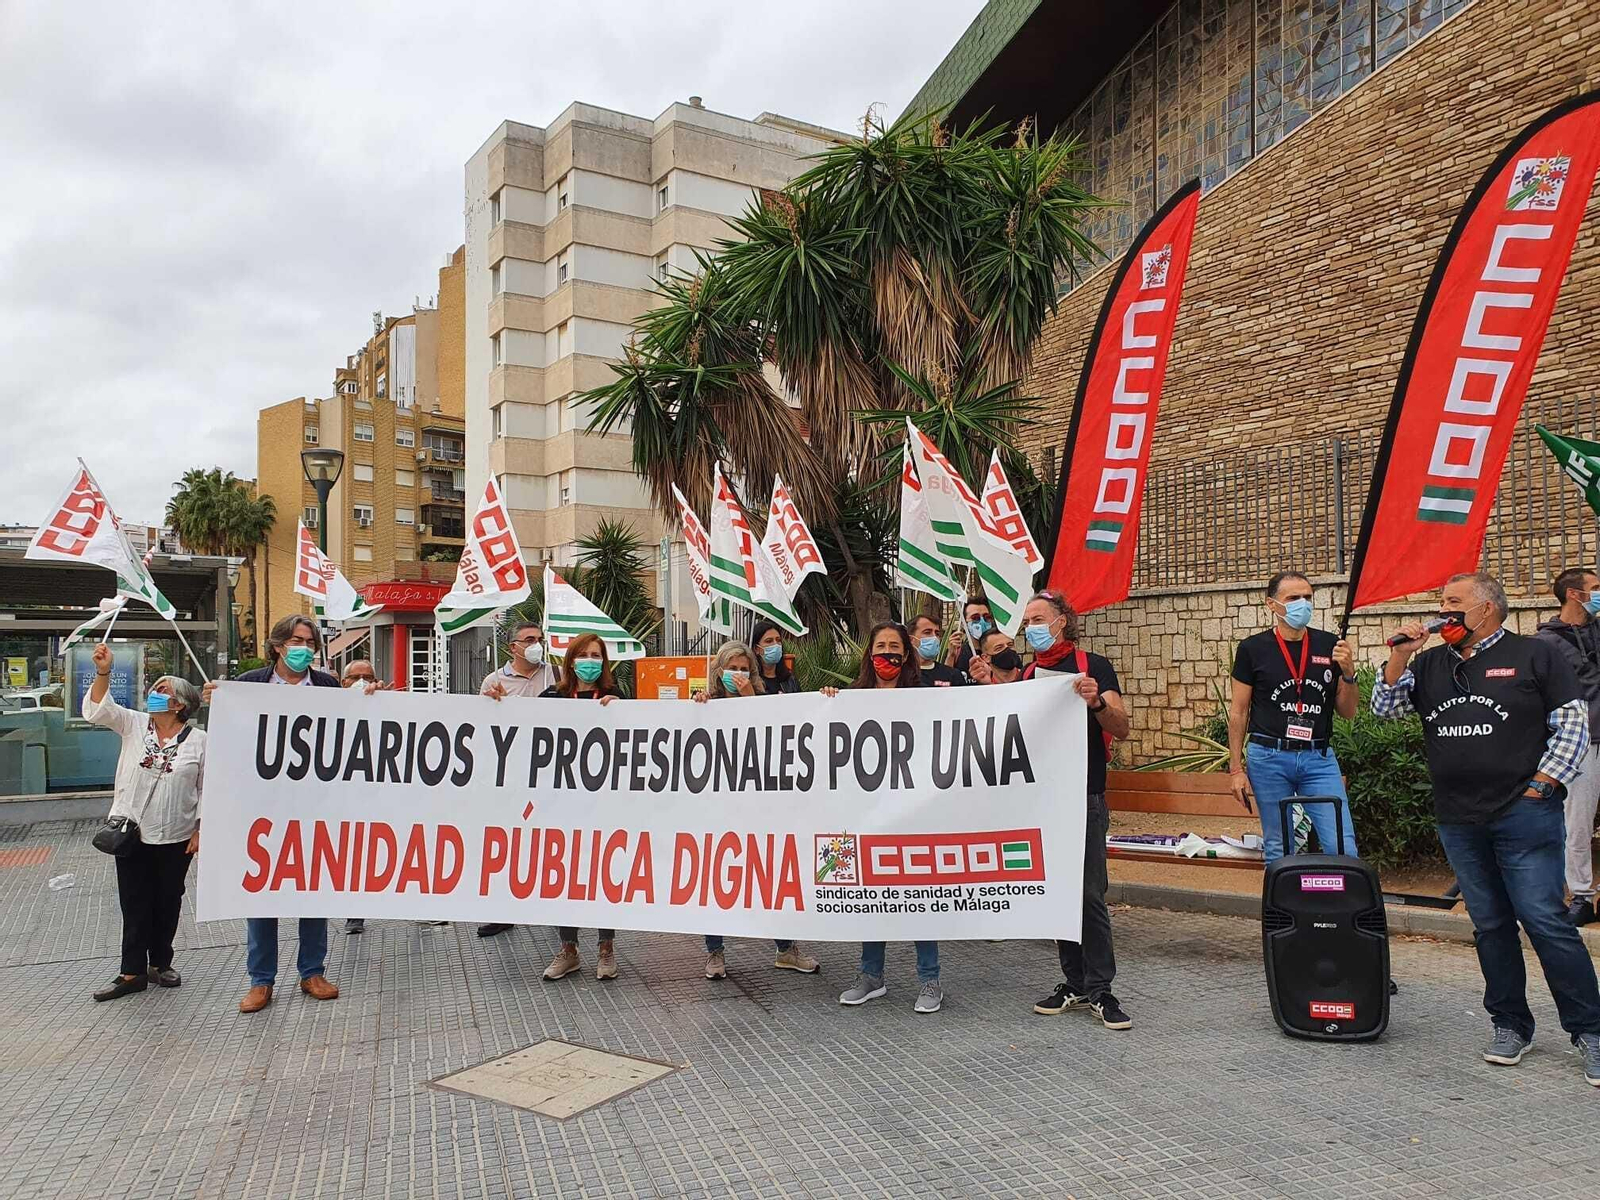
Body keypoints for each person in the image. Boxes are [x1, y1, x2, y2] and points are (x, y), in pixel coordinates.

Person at [1375, 572, 1600, 1085]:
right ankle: (1510, 1024)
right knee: (1491, 926)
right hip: (1459, 818)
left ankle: (1590, 1030)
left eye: (1454, 603)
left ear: (1487, 609)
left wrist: (1542, 786)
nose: (1443, 611)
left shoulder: (1535, 655)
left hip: (1523, 813)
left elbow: (1572, 724)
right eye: (1442, 603)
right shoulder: (1431, 662)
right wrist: (1402, 654)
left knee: (1545, 920)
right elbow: (1384, 712)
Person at [993, 591, 1135, 1031]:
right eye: (1027, 620)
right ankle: (1073, 982)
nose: (1032, 627)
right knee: (1059, 893)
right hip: (1044, 801)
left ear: (1062, 622)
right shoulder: (1031, 673)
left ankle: (1101, 989)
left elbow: (1123, 727)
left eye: (1039, 618)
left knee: (1090, 894)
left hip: (1086, 796)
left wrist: (1096, 703)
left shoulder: (1093, 666)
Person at [204, 613, 342, 1013]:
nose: (304, 649)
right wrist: (219, 701)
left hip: (315, 806)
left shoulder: (328, 687)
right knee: (262, 893)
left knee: (312, 893)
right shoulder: (249, 686)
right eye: (296, 641)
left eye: (310, 643)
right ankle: (261, 980)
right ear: (278, 645)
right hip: (261, 808)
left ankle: (312, 971)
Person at [824, 623, 943, 1012]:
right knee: (870, 893)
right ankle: (870, 974)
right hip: (868, 816)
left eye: (895, 647)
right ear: (868, 653)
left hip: (914, 813)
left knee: (919, 894)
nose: (888, 653)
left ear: (906, 655)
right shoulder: (852, 698)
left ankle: (929, 979)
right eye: (880, 646)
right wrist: (828, 702)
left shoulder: (923, 698)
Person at [83, 643, 205, 1002]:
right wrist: (104, 672)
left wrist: (201, 828)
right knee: (134, 901)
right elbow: (97, 710)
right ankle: (131, 971)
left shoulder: (199, 742)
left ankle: (160, 963)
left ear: (179, 703)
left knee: (168, 900)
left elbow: (208, 788)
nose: (154, 693)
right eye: (154, 689)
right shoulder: (135, 725)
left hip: (176, 836)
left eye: (163, 690)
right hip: (132, 832)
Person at [692, 642, 820, 978]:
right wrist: (700, 706)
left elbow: (774, 732)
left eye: (743, 667)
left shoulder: (764, 703)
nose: (738, 674)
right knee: (715, 878)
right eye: (731, 667)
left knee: (771, 876)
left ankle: (785, 948)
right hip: (720, 807)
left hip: (760, 808)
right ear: (719, 671)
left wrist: (749, 696)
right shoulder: (709, 705)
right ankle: (715, 952)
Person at [1227, 571, 1359, 862]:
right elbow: (1238, 711)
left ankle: (1341, 906)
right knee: (1279, 846)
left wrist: (1349, 674)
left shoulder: (1330, 645)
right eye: (1294, 598)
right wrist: (1236, 770)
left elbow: (1347, 712)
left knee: (1342, 845)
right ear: (1272, 605)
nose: (1303, 604)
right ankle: (1280, 908)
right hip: (1269, 756)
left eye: (1308, 597)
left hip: (1318, 759)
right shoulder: (1252, 649)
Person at [538, 633, 624, 982]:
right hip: (563, 807)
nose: (591, 661)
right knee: (566, 876)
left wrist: (620, 712)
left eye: (597, 655)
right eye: (584, 655)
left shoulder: (617, 698)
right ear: (571, 660)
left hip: (604, 807)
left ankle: (606, 949)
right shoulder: (551, 697)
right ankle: (569, 949)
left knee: (604, 875)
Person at [475, 621, 556, 938]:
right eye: (529, 640)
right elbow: (483, 727)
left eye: (539, 639)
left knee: (550, 840)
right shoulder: (494, 680)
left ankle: (554, 907)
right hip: (512, 774)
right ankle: (503, 911)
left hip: (549, 772)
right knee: (507, 841)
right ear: (513, 647)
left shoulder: (554, 674)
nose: (536, 644)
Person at [1535, 567, 1600, 925]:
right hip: (1581, 739)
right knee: (1577, 821)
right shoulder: (1546, 642)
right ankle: (1581, 895)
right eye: (1595, 588)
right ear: (1575, 595)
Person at [909, 612, 967, 687]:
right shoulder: (900, 674)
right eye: (927, 632)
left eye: (937, 634)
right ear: (911, 640)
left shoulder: (953, 675)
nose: (934, 638)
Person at [943, 595, 995, 678]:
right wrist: (951, 656)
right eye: (975, 618)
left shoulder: (999, 650)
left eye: (986, 617)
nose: (982, 622)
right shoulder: (956, 652)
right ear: (964, 623)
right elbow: (946, 681)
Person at [749, 618, 800, 696]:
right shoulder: (750, 682)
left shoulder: (790, 681)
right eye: (769, 641)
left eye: (778, 640)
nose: (776, 645)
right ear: (756, 649)